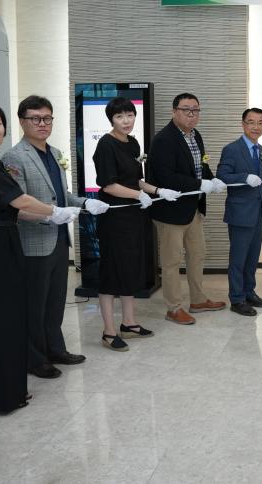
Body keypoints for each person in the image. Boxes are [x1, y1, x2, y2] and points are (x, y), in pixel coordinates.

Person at [0, 102, 79, 414]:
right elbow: (21, 200)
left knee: (8, 320)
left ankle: (11, 390)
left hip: (5, 241)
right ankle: (1, 395)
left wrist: (71, 206)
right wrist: (54, 212)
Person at [2, 95, 109, 380]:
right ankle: (35, 359)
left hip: (60, 240)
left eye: (47, 118)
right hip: (34, 242)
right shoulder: (14, 157)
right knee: (35, 305)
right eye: (35, 118)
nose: (42, 124)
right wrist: (49, 216)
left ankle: (56, 349)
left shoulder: (56, 152)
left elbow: (62, 196)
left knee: (55, 302)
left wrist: (86, 203)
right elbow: (16, 205)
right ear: (22, 121)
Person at [93, 97, 167, 350]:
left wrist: (158, 190)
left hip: (134, 216)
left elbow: (137, 180)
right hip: (114, 218)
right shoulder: (106, 145)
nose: (126, 121)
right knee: (112, 272)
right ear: (111, 119)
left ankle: (129, 323)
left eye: (130, 115)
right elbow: (109, 185)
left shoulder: (133, 143)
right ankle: (108, 331)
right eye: (119, 116)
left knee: (130, 268)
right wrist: (138, 195)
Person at [148, 93, 227, 325]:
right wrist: (199, 184)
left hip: (193, 208)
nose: (191, 115)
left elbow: (201, 165)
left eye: (195, 110)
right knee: (172, 261)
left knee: (197, 254)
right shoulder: (163, 139)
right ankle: (173, 308)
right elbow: (166, 177)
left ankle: (198, 300)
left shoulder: (195, 135)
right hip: (170, 211)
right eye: (186, 110)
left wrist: (212, 179)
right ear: (174, 112)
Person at [216, 108, 262, 315]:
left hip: (259, 212)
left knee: (252, 258)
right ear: (243, 124)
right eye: (251, 122)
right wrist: (244, 177)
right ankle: (237, 299)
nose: (256, 127)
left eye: (260, 123)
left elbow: (259, 181)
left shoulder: (261, 150)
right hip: (240, 214)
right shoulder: (232, 149)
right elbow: (222, 176)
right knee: (238, 259)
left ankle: (249, 292)